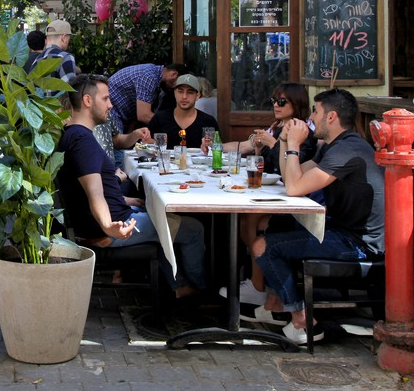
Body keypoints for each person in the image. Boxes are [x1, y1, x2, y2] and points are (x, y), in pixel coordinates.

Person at [245, 88, 385, 345]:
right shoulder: (335, 146)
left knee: (262, 247)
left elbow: (295, 188)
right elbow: (292, 179)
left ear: (330, 117)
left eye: (315, 111)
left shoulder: (347, 150)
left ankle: (303, 320)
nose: (310, 117)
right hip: (340, 230)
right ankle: (276, 304)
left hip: (360, 245)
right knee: (277, 223)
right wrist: (286, 141)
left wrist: (295, 144)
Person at [57, 74, 207, 298]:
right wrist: (109, 226)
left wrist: (124, 200)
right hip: (109, 229)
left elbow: (87, 189)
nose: (111, 104)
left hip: (108, 219)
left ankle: (177, 286)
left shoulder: (73, 134)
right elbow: (93, 192)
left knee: (157, 211)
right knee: (194, 229)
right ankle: (199, 290)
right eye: (106, 99)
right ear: (88, 101)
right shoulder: (83, 142)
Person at [223, 82, 319, 305]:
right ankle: (260, 284)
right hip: (274, 192)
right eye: (274, 100)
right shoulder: (275, 127)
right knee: (247, 219)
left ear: (297, 103)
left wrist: (274, 144)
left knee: (251, 221)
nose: (276, 105)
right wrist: (258, 150)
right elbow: (265, 163)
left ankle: (259, 286)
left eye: (282, 101)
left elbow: (296, 167)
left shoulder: (303, 131)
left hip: (296, 200)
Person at [107, 62, 185, 132]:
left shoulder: (155, 77)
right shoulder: (149, 77)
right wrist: (174, 127)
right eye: (177, 86)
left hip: (122, 115)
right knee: (114, 144)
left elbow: (137, 116)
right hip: (111, 111)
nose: (174, 89)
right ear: (174, 74)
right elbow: (144, 115)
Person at [147, 74, 219, 149]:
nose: (184, 97)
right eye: (180, 91)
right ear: (175, 93)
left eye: (190, 92)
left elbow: (217, 149)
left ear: (197, 95)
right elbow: (146, 146)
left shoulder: (208, 121)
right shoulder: (160, 118)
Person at [31, 20, 78, 84]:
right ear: (64, 38)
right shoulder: (65, 57)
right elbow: (70, 88)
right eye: (68, 38)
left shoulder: (37, 59)